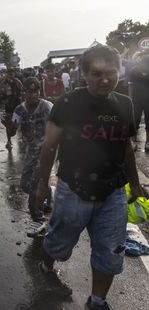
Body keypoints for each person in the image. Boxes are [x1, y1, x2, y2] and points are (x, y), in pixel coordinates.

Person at [35, 45, 146, 310]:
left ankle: (97, 301)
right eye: (96, 73)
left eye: (109, 73)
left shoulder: (125, 103)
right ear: (84, 74)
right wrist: (41, 184)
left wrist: (135, 184)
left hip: (113, 193)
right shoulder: (67, 103)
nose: (104, 79)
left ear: (118, 72)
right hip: (73, 189)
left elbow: (126, 146)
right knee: (60, 243)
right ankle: (46, 266)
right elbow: (49, 146)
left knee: (110, 251)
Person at [7, 77, 53, 237]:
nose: (33, 95)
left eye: (36, 91)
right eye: (29, 92)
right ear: (24, 93)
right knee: (25, 184)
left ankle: (38, 220)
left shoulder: (47, 108)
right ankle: (48, 193)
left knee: (34, 184)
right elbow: (12, 131)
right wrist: (10, 127)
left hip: (48, 150)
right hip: (32, 150)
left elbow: (56, 131)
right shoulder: (19, 110)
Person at [0, 68, 23, 149]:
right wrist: (1, 105)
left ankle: (22, 139)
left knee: (19, 123)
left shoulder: (18, 82)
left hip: (18, 105)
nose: (11, 75)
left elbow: (22, 92)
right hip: (8, 106)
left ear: (14, 74)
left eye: (12, 73)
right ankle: (9, 141)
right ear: (7, 74)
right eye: (9, 73)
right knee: (8, 125)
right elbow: (0, 96)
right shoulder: (3, 83)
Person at [129, 56, 149, 151]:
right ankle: (143, 143)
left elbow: (131, 86)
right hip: (138, 99)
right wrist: (130, 98)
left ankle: (134, 142)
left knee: (135, 120)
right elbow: (131, 85)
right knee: (135, 121)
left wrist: (130, 97)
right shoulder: (134, 70)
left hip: (137, 99)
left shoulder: (134, 69)